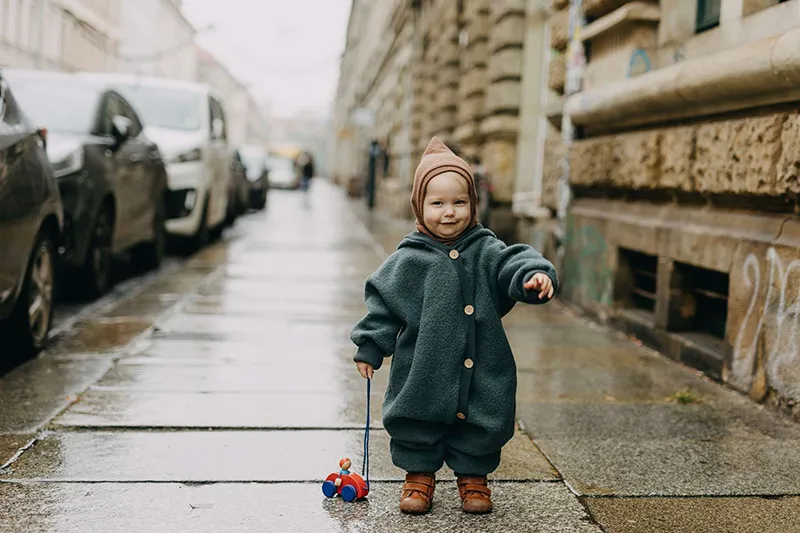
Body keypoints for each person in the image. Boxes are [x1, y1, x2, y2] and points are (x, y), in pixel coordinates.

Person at [350, 138, 557, 515]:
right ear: (420, 206)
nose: (449, 213)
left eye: (460, 202)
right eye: (438, 203)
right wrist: (370, 345)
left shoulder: (485, 248)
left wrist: (534, 275)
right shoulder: (409, 259)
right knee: (416, 416)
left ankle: (474, 479)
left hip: (482, 362)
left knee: (483, 415)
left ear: (473, 205)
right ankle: (418, 477)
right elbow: (382, 304)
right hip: (423, 366)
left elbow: (514, 261)